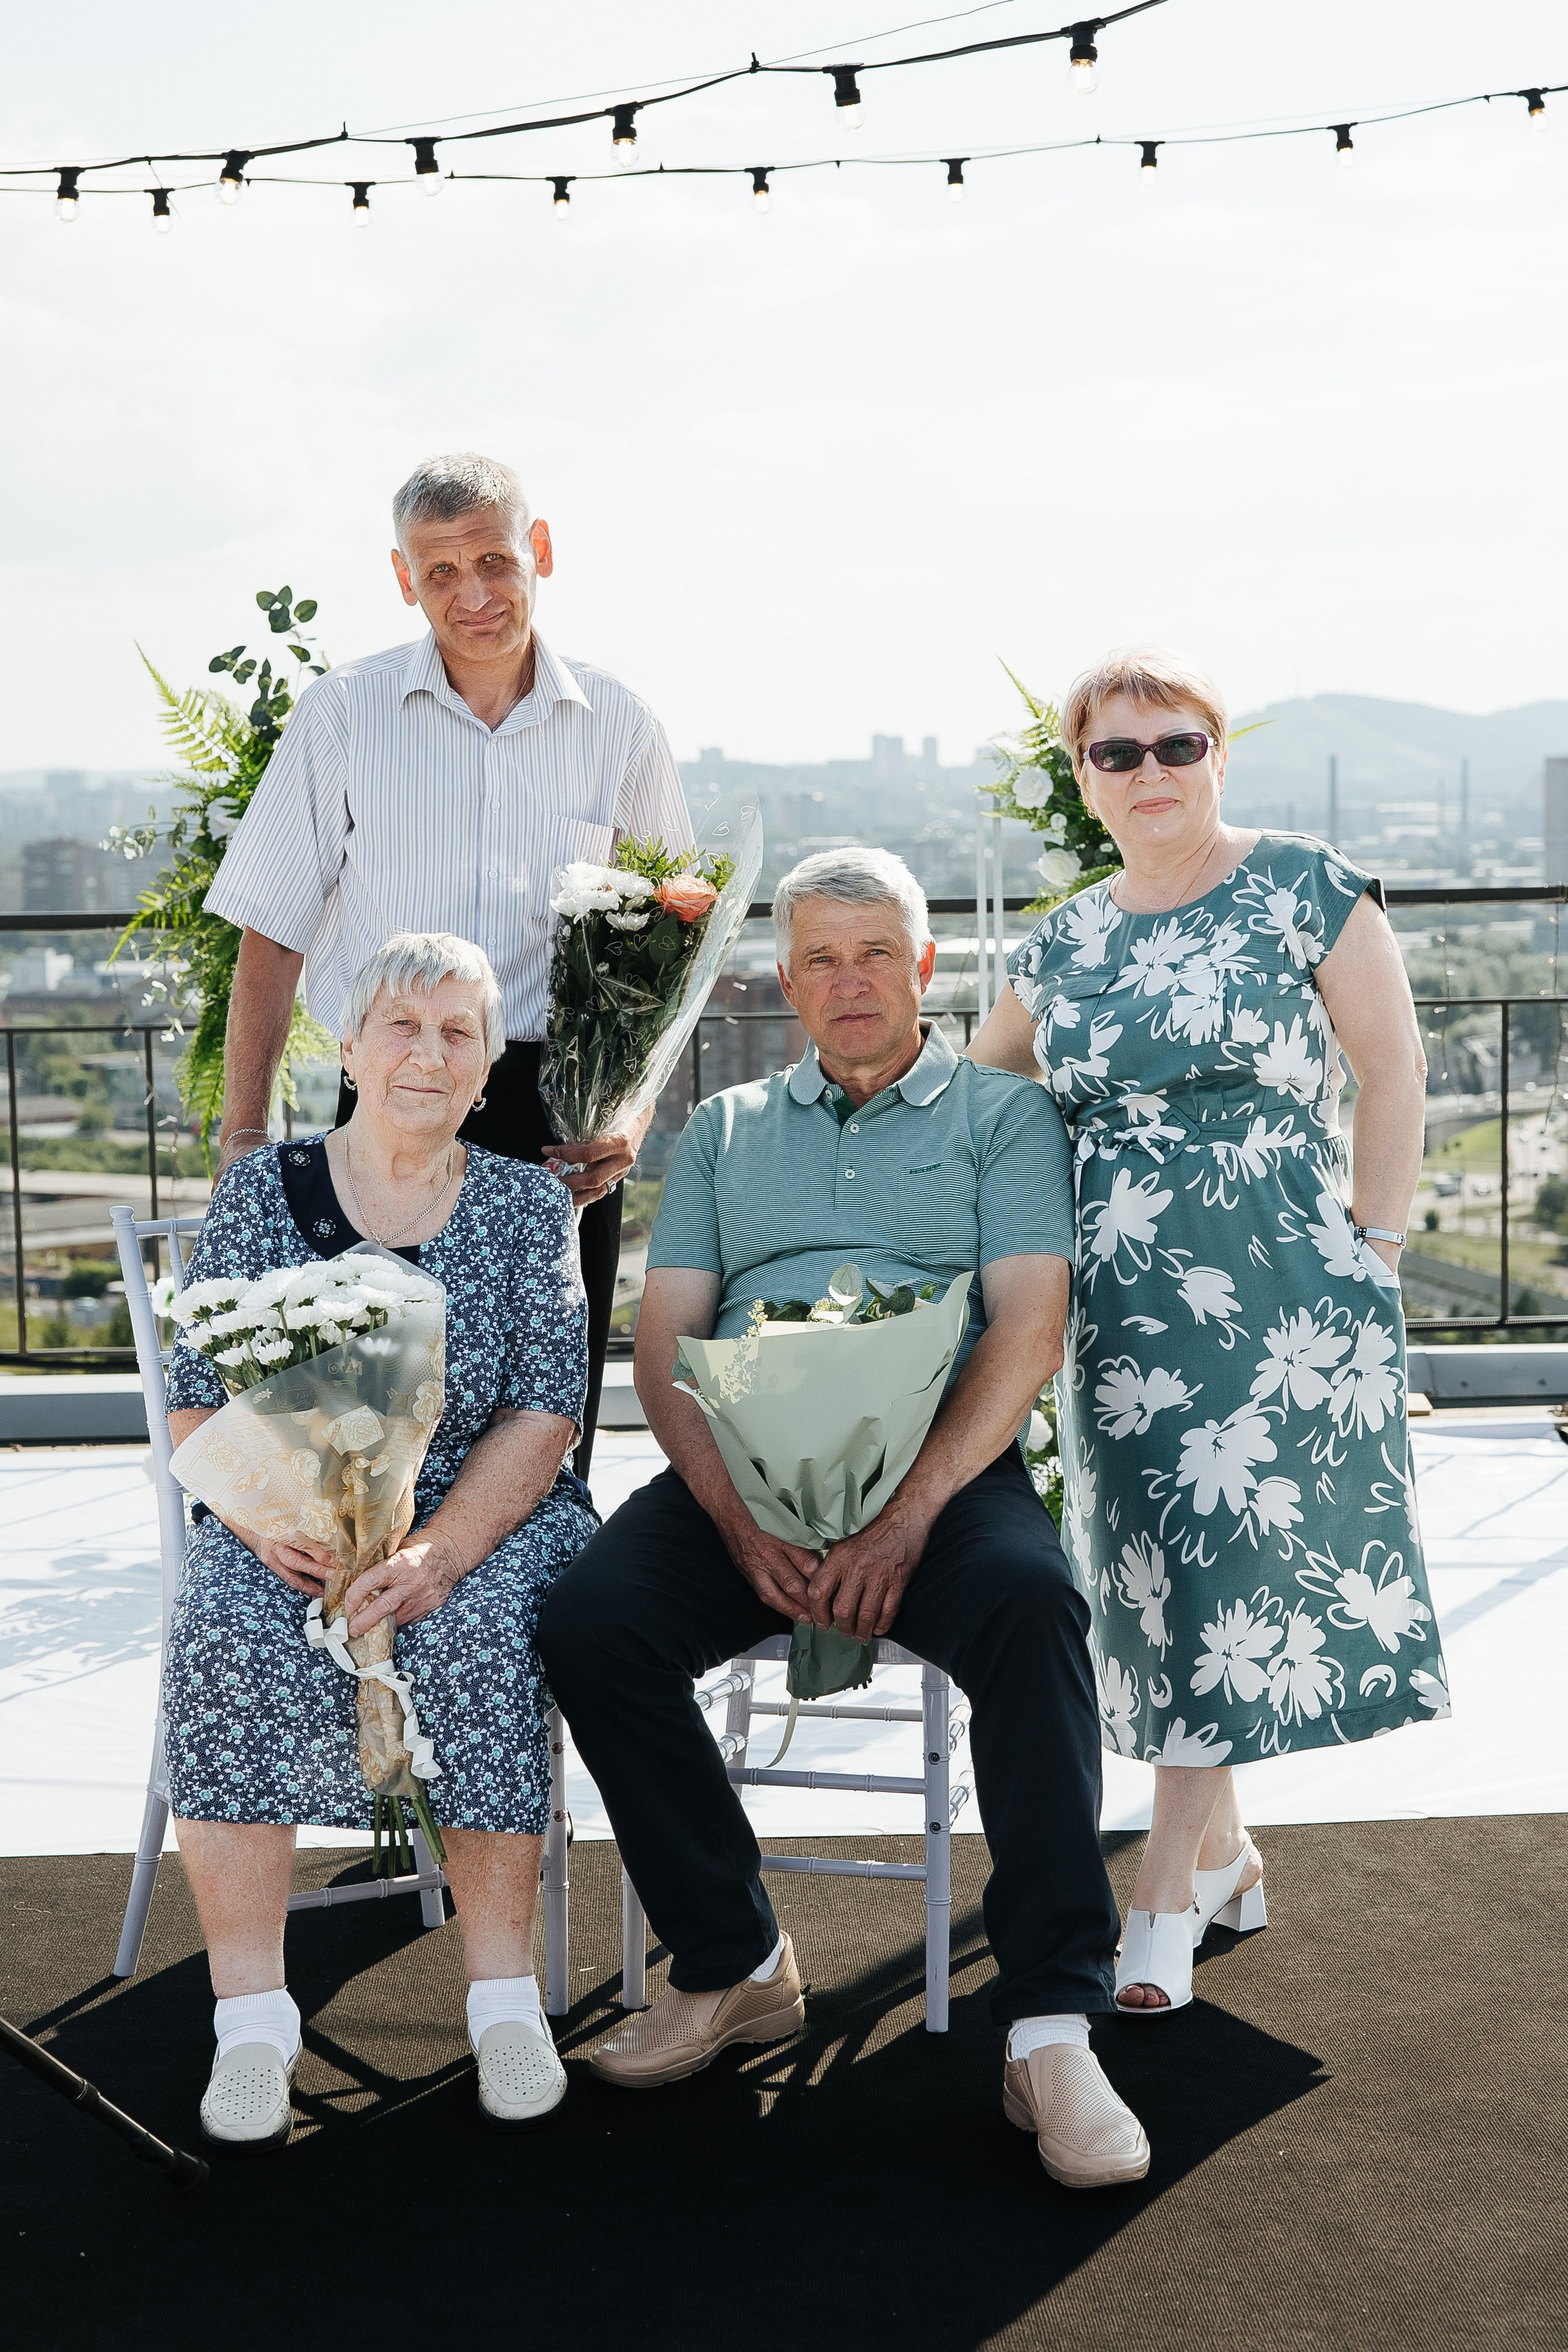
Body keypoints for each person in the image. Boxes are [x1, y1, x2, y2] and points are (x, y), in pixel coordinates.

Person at [540, 847, 1151, 2192]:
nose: (848, 980)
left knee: (1031, 1607)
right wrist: (739, 1520)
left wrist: (907, 1514)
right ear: (782, 979)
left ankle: (1051, 2024)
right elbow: (662, 1347)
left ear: (926, 966)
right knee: (588, 1619)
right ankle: (735, 1960)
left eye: (875, 951)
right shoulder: (724, 1127)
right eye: (818, 957)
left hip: (935, 1479)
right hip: (744, 1474)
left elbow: (1029, 1327)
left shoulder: (1001, 1118)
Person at [967, 649, 1449, 2015]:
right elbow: (978, 1087)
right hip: (1120, 1304)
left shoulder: (1303, 885)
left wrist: (1378, 1246)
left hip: (1281, 1288)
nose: (1148, 774)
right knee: (1173, 1587)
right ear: (1083, 779)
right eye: (1114, 754)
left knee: (1219, 1565)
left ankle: (1163, 1899)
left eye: (1173, 746)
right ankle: (1226, 1852)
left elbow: (1390, 1064)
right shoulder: (1061, 942)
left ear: (1216, 755)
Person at [164, 933, 597, 2148]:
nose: (427, 1053)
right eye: (402, 1026)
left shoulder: (521, 1204)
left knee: (480, 1635)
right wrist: (276, 1523)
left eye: (458, 1034)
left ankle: (502, 1998)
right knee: (229, 1631)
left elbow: (543, 1411)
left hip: (482, 1514)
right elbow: (200, 1394)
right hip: (287, 1514)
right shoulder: (263, 1194)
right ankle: (252, 2019)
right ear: (349, 1049)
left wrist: (440, 1551)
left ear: (484, 1069)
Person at [201, 451, 692, 1473]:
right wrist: (243, 1128)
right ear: (402, 576)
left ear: (540, 552)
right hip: (388, 1102)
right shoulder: (343, 715)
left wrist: (630, 1118)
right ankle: (368, 1615)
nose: (472, 594)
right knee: (362, 1427)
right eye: (440, 572)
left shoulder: (621, 727)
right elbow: (271, 927)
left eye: (496, 562)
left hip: (558, 1118)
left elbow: (669, 953)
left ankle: (530, 1621)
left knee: (544, 1433)